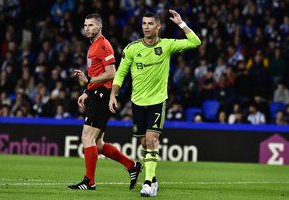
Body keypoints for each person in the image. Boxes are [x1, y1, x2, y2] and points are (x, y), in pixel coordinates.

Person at [109, 10, 201, 197]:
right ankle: (154, 180)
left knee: (152, 140)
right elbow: (120, 74)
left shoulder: (167, 45)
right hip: (137, 102)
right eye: (144, 23)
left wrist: (181, 24)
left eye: (150, 23)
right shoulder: (132, 48)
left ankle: (148, 182)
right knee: (144, 142)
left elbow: (195, 42)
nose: (146, 27)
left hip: (157, 102)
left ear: (158, 26)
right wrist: (113, 95)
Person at [68, 13, 142, 191]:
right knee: (98, 143)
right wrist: (87, 91)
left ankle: (89, 181)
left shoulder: (103, 46)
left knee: (87, 137)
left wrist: (88, 82)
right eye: (85, 25)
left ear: (99, 27)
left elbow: (111, 73)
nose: (87, 28)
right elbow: (96, 74)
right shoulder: (93, 46)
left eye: (91, 25)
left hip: (102, 96)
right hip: (96, 94)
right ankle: (132, 166)